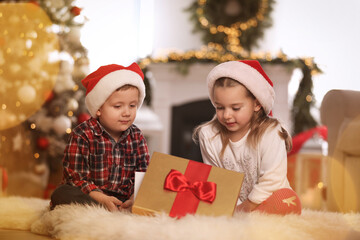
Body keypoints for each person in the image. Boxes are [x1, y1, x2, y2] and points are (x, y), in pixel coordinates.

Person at [193, 60, 301, 215]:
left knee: (289, 200)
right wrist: (234, 208)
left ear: (256, 104)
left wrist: (246, 207)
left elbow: (272, 180)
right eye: (219, 107)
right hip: (232, 203)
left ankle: (251, 221)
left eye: (235, 108)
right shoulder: (208, 135)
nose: (227, 115)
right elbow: (218, 180)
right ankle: (246, 222)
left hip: (269, 199)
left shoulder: (271, 132)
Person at [50, 62, 150, 212]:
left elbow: (144, 171)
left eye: (132, 105)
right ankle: (100, 207)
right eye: (118, 106)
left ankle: (122, 207)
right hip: (91, 194)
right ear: (99, 109)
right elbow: (76, 176)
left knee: (154, 194)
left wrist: (134, 197)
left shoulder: (136, 136)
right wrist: (100, 197)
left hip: (123, 197)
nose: (126, 113)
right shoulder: (82, 134)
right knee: (61, 194)